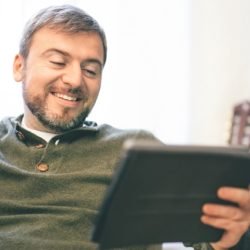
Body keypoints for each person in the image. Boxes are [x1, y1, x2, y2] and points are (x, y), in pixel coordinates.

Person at [0, 4, 248, 250]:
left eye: (90, 70)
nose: (75, 80)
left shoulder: (137, 150)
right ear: (19, 66)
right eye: (57, 61)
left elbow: (212, 239)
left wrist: (232, 237)